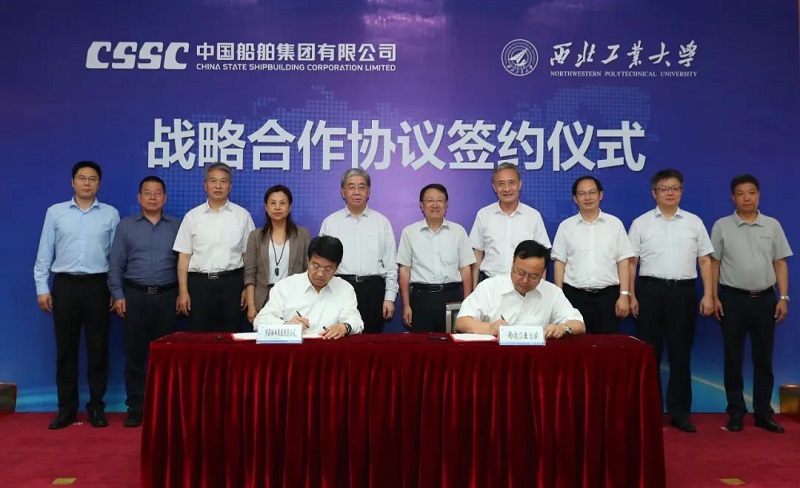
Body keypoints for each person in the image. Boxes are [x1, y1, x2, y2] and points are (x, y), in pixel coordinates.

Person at [34, 161, 120, 430]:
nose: (87, 183)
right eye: (82, 178)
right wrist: (42, 287)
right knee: (66, 351)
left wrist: (114, 289)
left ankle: (96, 407)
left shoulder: (110, 214)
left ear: (99, 184)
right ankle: (67, 409)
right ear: (72, 182)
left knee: (98, 350)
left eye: (92, 179)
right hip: (65, 286)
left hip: (98, 286)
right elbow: (45, 252)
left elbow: (115, 258)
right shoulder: (56, 212)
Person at [628, 168, 714, 433]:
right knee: (649, 355)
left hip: (683, 293)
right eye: (664, 189)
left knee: (680, 354)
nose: (670, 193)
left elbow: (705, 260)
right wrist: (630, 295)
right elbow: (631, 262)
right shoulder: (641, 223)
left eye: (675, 188)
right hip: (649, 292)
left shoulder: (694, 222)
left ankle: (679, 413)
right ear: (654, 193)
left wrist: (709, 294)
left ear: (681, 192)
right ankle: (649, 412)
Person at [710, 174, 792, 433]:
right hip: (732, 299)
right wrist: (713, 296)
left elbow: (780, 262)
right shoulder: (722, 226)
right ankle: (736, 412)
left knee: (763, 359)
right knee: (733, 358)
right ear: (733, 198)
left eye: (752, 192)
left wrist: (783, 298)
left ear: (759, 195)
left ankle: (763, 413)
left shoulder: (772, 225)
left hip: (765, 299)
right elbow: (714, 263)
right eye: (741, 193)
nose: (747, 198)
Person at [107, 176, 181, 428]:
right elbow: (116, 263)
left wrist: (182, 293)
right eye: (147, 193)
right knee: (136, 354)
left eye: (157, 193)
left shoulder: (177, 226)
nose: (152, 197)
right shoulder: (126, 226)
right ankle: (136, 407)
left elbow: (184, 263)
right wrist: (118, 294)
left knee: (167, 355)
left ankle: (165, 406)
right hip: (134, 296)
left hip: (167, 296)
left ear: (165, 198)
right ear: (139, 197)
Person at [173, 162, 255, 332]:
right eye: (213, 181)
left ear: (230, 186)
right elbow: (184, 257)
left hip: (232, 284)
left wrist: (247, 290)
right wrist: (183, 291)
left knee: (231, 337)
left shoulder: (242, 216)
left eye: (223, 181)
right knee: (200, 338)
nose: (218, 186)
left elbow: (249, 257)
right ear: (205, 186)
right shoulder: (192, 217)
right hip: (199, 286)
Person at [551, 176, 634, 334]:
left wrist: (624, 295)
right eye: (582, 193)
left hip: (607, 298)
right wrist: (559, 297)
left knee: (606, 345)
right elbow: (559, 263)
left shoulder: (614, 224)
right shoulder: (566, 226)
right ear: (575, 198)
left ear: (600, 195)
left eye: (592, 192)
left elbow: (623, 261)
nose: (587, 197)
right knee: (575, 344)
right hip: (574, 297)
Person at [319, 168, 397, 333]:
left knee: (370, 342)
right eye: (351, 187)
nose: (356, 192)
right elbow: (321, 263)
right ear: (343, 192)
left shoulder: (381, 222)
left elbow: (391, 265)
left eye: (361, 187)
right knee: (339, 338)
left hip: (373, 291)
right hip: (339, 288)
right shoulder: (330, 222)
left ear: (368, 192)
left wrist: (389, 298)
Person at [455, 240, 584, 338]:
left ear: (543, 272)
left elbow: (579, 324)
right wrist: (490, 328)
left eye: (533, 276)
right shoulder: (490, 287)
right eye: (520, 273)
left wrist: (564, 327)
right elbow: (461, 322)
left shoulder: (552, 292)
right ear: (513, 263)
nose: (525, 280)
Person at [397, 184, 475, 332]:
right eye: (430, 200)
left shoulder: (458, 231)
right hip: (421, 297)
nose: (435, 204)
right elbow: (404, 270)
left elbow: (465, 269)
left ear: (446, 204)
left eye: (439, 200)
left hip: (451, 296)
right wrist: (406, 305)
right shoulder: (410, 232)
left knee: (452, 343)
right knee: (421, 344)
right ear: (422, 205)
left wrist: (467, 305)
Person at [254, 236, 364, 339]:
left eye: (327, 269)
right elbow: (259, 322)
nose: (320, 274)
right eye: (316, 266)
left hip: (329, 348)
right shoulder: (285, 286)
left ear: (337, 268)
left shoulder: (345, 289)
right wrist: (287, 325)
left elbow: (356, 322)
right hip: (295, 349)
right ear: (308, 261)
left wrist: (344, 327)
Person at [469, 162, 550, 289]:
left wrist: (540, 289)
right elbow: (477, 254)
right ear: (494, 187)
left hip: (524, 285)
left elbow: (541, 256)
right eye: (501, 184)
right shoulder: (484, 215)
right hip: (491, 285)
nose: (507, 189)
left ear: (520, 184)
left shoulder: (533, 216)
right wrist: (475, 290)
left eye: (511, 183)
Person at [244, 185, 311, 324]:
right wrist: (251, 305)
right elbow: (250, 273)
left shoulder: (302, 235)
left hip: (294, 300)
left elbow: (308, 271)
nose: (277, 208)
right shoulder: (255, 236)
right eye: (273, 203)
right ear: (266, 207)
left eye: (282, 203)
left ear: (290, 207)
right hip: (263, 301)